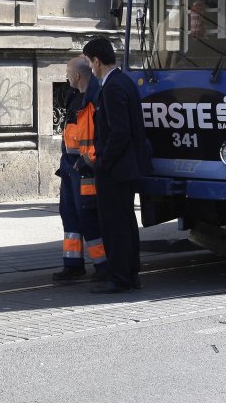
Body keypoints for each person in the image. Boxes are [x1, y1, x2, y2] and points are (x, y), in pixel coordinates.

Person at [82, 37, 152, 293]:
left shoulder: (111, 88)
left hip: (116, 169)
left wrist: (102, 162)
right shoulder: (125, 82)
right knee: (126, 222)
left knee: (114, 225)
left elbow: (119, 132)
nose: (90, 68)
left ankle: (120, 276)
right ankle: (130, 273)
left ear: (97, 61)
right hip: (126, 167)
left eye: (89, 63)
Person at [53, 57, 109, 282]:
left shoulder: (95, 99)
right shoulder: (75, 97)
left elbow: (103, 137)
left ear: (77, 75)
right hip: (70, 166)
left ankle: (103, 265)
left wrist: (88, 160)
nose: (66, 76)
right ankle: (73, 264)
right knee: (69, 214)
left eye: (68, 72)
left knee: (88, 216)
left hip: (86, 168)